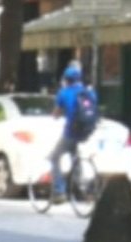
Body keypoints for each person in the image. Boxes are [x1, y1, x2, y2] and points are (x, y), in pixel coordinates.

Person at [50, 64, 97, 197]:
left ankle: (59, 190)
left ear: (65, 79)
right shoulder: (89, 92)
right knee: (73, 154)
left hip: (71, 132)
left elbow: (56, 114)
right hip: (88, 131)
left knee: (54, 157)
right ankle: (80, 187)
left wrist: (59, 113)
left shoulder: (64, 93)